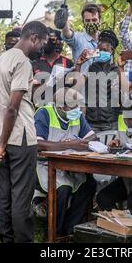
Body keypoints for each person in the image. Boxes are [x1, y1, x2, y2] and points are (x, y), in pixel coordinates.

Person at [0, 21, 48, 243]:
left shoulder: (1, 59)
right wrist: (3, 143)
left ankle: (7, 239)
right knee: (22, 197)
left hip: (0, 134)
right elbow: (12, 107)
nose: (42, 47)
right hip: (19, 136)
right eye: (42, 42)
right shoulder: (23, 62)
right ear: (33, 37)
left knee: (5, 194)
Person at [34, 87, 97, 236]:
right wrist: (69, 144)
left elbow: (93, 137)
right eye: (73, 106)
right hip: (45, 166)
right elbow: (38, 144)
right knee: (63, 189)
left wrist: (80, 142)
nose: (78, 109)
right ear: (61, 107)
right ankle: (54, 233)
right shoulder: (44, 113)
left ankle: (71, 228)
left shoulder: (77, 116)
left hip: (70, 166)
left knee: (89, 184)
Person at [74, 29, 120, 132]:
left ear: (111, 51)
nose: (102, 52)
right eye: (100, 50)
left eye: (105, 50)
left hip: (111, 123)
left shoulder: (117, 70)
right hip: (91, 123)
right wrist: (78, 65)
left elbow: (121, 93)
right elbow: (77, 86)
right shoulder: (90, 68)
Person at [32, 27, 73, 107]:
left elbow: (73, 87)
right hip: (41, 110)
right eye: (44, 39)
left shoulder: (67, 62)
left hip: (62, 110)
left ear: (56, 41)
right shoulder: (34, 64)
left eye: (51, 39)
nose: (47, 42)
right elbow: (32, 92)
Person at [61, 3, 101, 73]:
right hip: (81, 82)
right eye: (87, 20)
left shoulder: (105, 39)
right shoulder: (78, 38)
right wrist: (64, 18)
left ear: (100, 20)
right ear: (83, 22)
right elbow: (67, 33)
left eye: (94, 20)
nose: (91, 23)